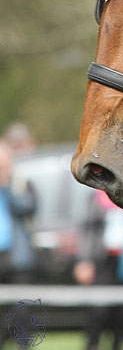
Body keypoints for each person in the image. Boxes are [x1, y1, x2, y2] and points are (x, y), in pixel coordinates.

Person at [73, 190, 123, 350]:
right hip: (104, 260)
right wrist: (84, 260)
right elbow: (88, 229)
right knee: (99, 311)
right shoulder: (97, 196)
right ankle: (92, 345)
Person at [0, 141, 38, 349]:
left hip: (17, 259)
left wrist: (7, 186)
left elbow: (28, 207)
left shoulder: (21, 184)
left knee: (21, 311)